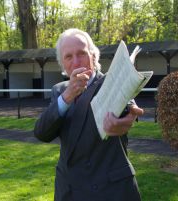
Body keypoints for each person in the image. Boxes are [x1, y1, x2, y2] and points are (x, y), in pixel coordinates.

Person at [34, 28, 144, 201]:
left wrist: (127, 117)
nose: (76, 62)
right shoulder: (59, 91)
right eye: (68, 57)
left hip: (111, 191)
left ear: (93, 56)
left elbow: (127, 102)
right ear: (63, 64)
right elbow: (42, 132)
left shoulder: (110, 80)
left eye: (82, 53)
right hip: (69, 190)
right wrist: (68, 96)